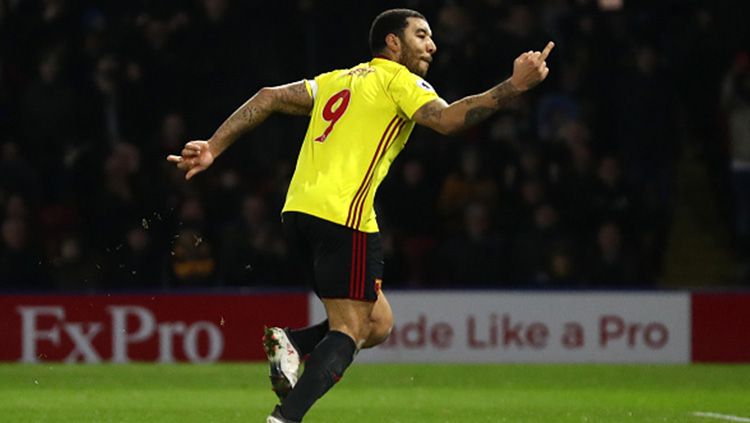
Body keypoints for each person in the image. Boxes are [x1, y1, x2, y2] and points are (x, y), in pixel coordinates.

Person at [167, 8, 553, 423]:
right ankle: (285, 418)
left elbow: (268, 97)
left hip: (298, 211)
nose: (432, 45)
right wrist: (514, 86)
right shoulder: (399, 82)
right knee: (349, 331)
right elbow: (447, 119)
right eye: (421, 35)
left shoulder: (336, 80)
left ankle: (293, 342)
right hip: (342, 216)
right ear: (393, 42)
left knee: (379, 321)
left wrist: (213, 145)